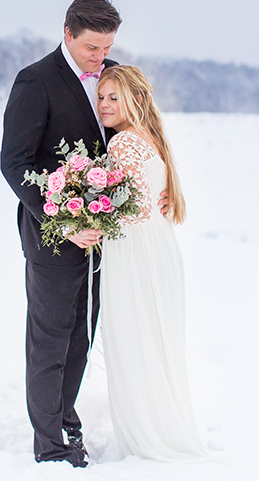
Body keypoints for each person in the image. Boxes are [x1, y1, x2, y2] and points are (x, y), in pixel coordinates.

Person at [0, 0, 122, 467]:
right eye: (92, 47)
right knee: (50, 336)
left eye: (107, 47)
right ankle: (49, 443)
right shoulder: (35, 81)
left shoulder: (112, 77)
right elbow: (15, 164)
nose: (101, 57)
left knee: (82, 335)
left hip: (102, 233)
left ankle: (67, 417)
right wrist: (64, 223)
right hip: (50, 234)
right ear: (67, 33)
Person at [96, 65, 206, 461]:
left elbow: (132, 211)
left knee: (134, 338)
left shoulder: (122, 143)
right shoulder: (152, 138)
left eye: (114, 97)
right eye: (102, 96)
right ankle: (162, 425)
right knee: (153, 340)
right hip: (157, 249)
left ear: (137, 101)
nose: (104, 105)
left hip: (134, 253)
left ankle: (147, 437)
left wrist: (87, 215)